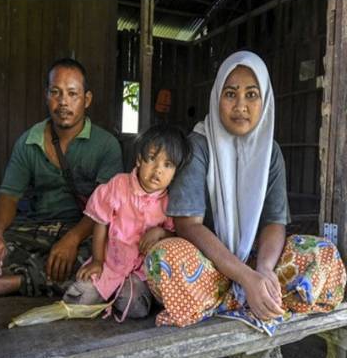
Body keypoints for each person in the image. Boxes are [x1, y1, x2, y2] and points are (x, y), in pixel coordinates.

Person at [145, 51, 346, 334]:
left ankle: (237, 299)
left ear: (264, 100)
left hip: (254, 259)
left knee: (323, 253)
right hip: (209, 265)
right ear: (217, 98)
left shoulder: (271, 152)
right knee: (163, 257)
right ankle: (254, 297)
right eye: (230, 94)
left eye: (252, 95)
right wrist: (245, 278)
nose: (240, 105)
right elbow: (188, 226)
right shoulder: (198, 146)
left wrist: (262, 270)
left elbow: (274, 222)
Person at [0, 58, 124, 298]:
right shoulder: (29, 141)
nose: (63, 101)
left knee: (103, 262)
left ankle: (10, 283)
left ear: (87, 100)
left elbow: (106, 212)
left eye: (73, 94)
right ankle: (34, 272)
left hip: (84, 232)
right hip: (38, 228)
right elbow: (9, 196)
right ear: (47, 95)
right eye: (56, 92)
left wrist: (72, 239)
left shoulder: (106, 146)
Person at [63, 125, 190, 319]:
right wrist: (97, 261)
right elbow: (101, 222)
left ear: (175, 172)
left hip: (140, 274)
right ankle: (104, 292)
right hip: (110, 263)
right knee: (76, 301)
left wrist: (161, 233)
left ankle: (116, 298)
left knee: (135, 308)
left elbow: (176, 236)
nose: (158, 170)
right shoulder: (118, 185)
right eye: (152, 158)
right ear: (139, 159)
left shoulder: (171, 202)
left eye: (168, 165)